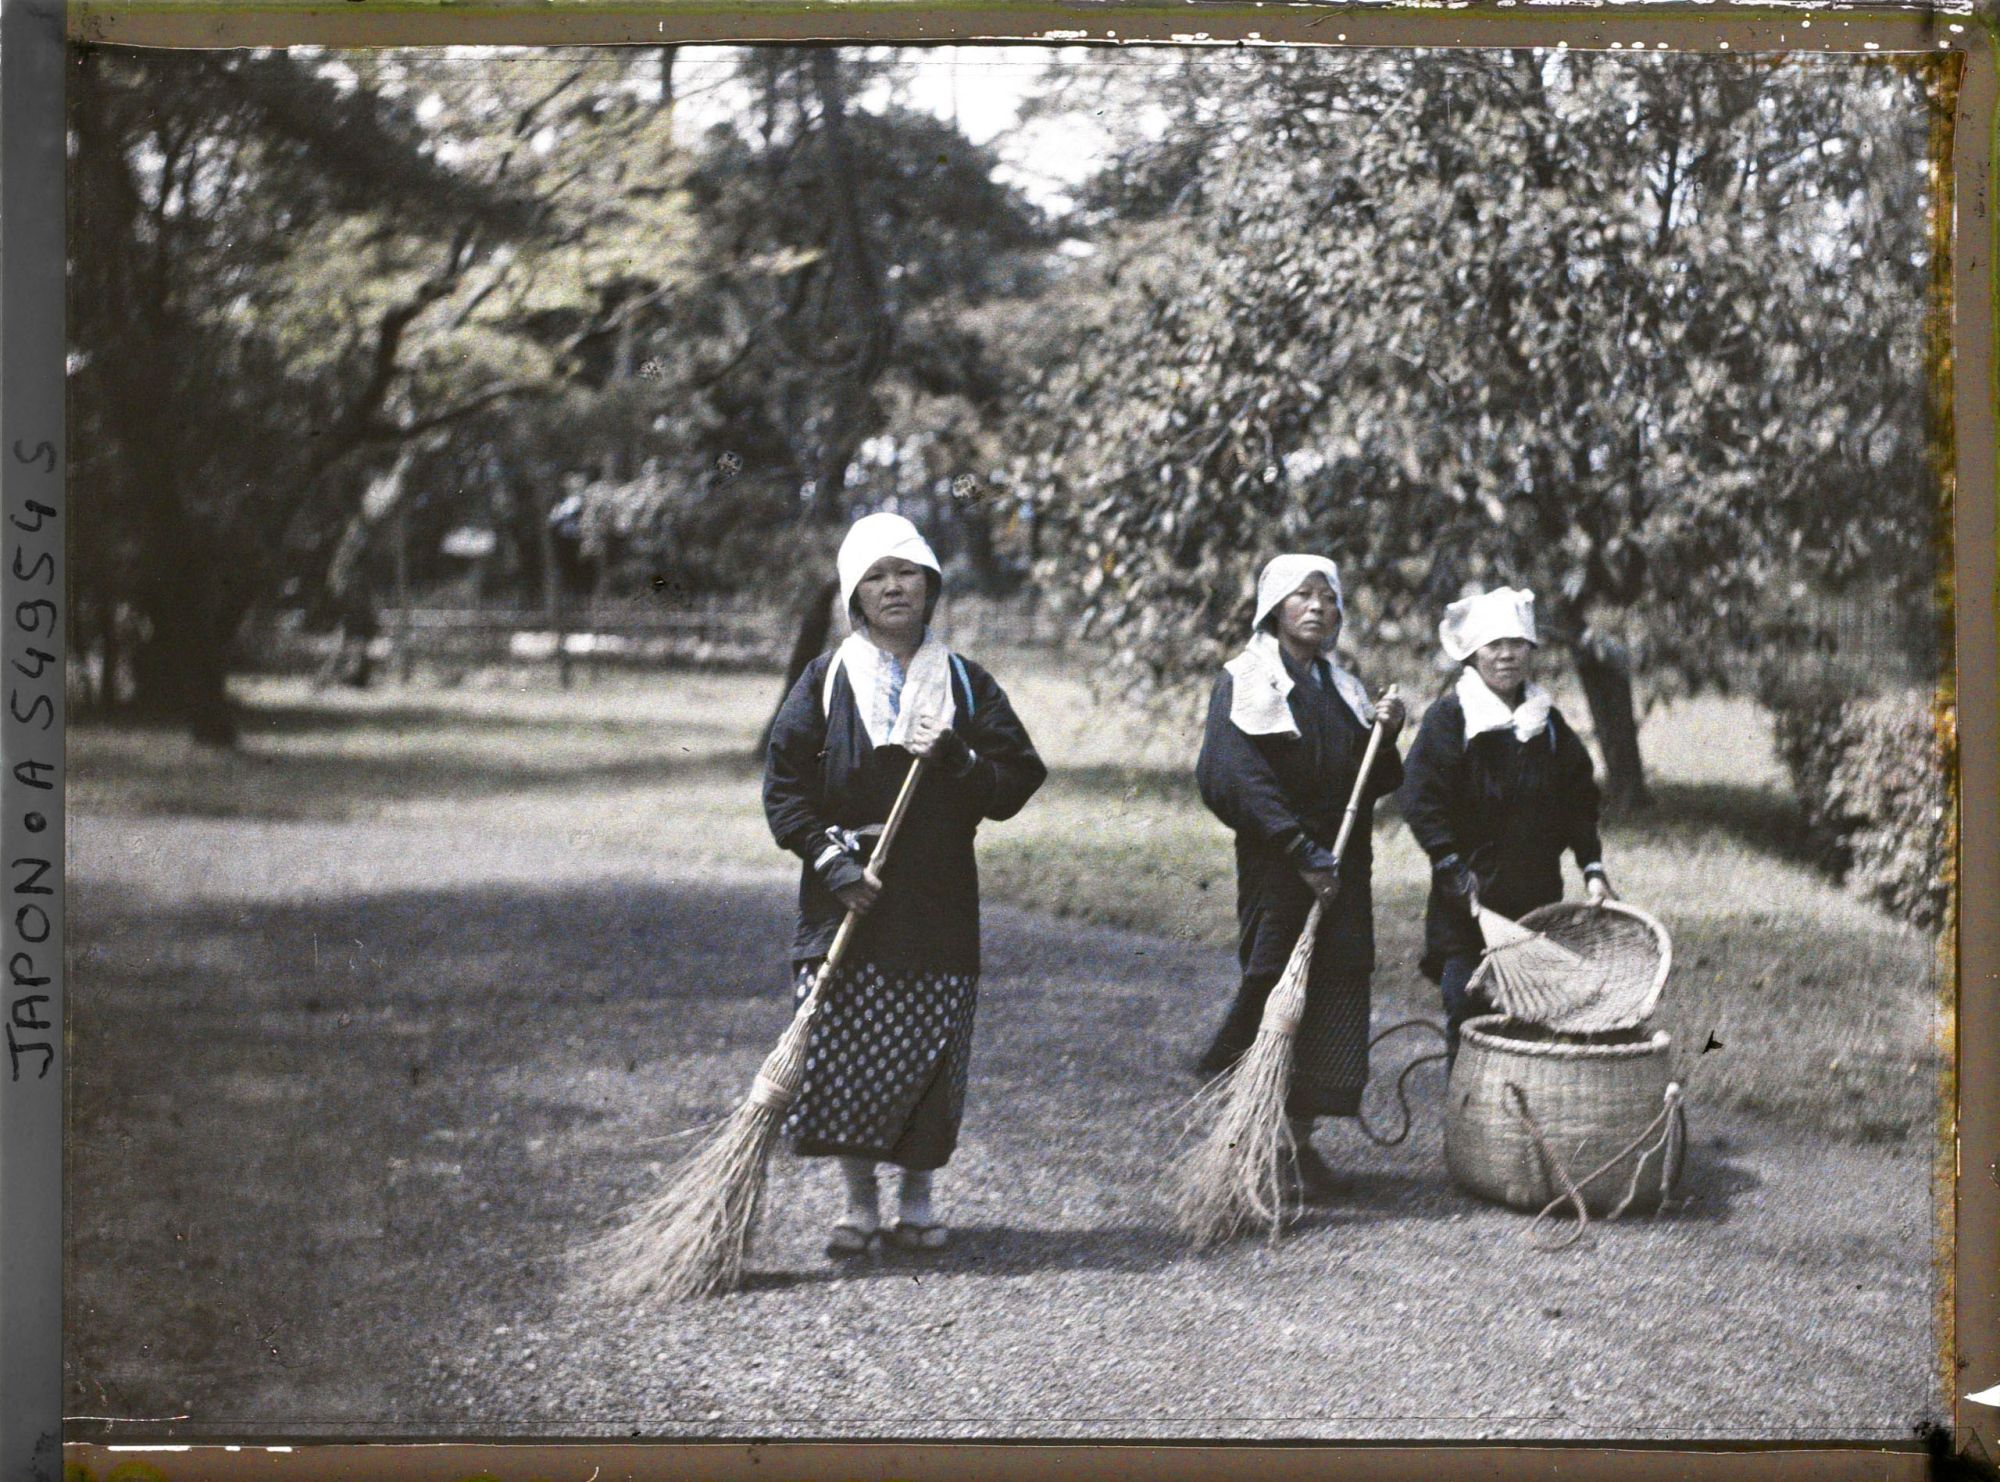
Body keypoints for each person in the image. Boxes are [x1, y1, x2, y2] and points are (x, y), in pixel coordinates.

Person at [763, 512, 1047, 1257]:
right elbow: (785, 790)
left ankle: (918, 1200)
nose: (894, 588)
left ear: (931, 586)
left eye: (908, 573)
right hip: (846, 896)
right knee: (849, 1050)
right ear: (855, 595)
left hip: (936, 896)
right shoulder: (825, 681)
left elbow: (1018, 776)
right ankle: (859, 1206)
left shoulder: (962, 680)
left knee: (929, 1049)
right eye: (877, 577)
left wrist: (957, 758)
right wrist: (834, 864)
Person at [1193, 554, 1407, 1200]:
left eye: (1328, 598)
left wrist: (1386, 734)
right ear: (1274, 610)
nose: (1317, 607)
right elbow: (1231, 776)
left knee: (1331, 997)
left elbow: (1377, 782)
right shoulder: (1245, 682)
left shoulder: (1342, 689)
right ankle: (1252, 1136)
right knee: (1273, 993)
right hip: (1281, 867)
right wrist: (1298, 849)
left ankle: (1299, 1142)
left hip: (1342, 870)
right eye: (1301, 596)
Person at [1396, 586, 1616, 1063]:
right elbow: (1418, 797)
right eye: (1494, 644)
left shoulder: (1548, 724)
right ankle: (1470, 1126)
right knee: (1468, 1010)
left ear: (1531, 650)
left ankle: (1517, 1129)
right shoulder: (1451, 719)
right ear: (1473, 653)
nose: (1507, 654)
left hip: (1535, 897)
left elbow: (1579, 799)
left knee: (1531, 1015)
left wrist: (1593, 866)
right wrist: (1448, 861)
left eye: (1517, 643)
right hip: (1468, 900)